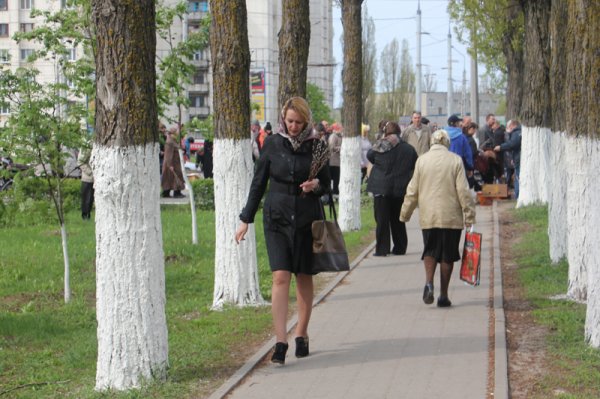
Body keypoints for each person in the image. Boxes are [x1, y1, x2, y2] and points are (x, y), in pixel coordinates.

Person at [235, 97, 331, 365]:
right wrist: (245, 218)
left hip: (305, 217)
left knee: (303, 276)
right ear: (283, 118)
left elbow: (327, 185)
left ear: (306, 121)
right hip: (276, 217)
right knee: (280, 276)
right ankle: (280, 340)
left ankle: (301, 332)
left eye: (299, 122)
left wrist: (316, 186)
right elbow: (258, 182)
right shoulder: (273, 143)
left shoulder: (317, 147)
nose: (294, 126)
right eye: (290, 121)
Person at [400, 129, 476, 307]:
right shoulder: (455, 160)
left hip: (429, 215)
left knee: (430, 249)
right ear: (447, 143)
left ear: (432, 142)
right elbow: (463, 191)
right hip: (451, 217)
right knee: (447, 255)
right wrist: (469, 215)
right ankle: (443, 295)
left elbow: (412, 190)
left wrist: (405, 214)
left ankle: (428, 282)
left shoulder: (422, 160)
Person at [367, 122, 418, 256]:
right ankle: (400, 247)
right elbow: (414, 164)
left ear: (386, 133)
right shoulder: (409, 149)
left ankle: (382, 250)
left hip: (380, 188)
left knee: (382, 221)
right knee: (398, 220)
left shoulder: (378, 147)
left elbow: (370, 157)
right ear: (399, 133)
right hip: (400, 188)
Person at [495, 119, 522, 199]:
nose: (507, 129)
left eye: (508, 127)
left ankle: (518, 196)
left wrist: (501, 147)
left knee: (517, 178)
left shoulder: (516, 133)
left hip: (518, 158)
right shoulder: (518, 132)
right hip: (516, 157)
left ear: (513, 125)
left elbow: (512, 144)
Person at [161, 127, 186, 198]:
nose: (178, 134)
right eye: (177, 132)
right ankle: (175, 193)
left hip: (176, 163)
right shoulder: (170, 142)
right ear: (173, 133)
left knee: (171, 178)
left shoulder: (173, 141)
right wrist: (170, 165)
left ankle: (169, 193)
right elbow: (168, 155)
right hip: (172, 164)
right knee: (172, 178)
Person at [78, 146, 94, 220]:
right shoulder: (86, 146)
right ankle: (85, 215)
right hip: (88, 178)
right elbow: (80, 162)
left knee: (91, 199)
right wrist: (90, 172)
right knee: (87, 198)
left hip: (96, 177)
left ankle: (88, 214)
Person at [328, 122, 342, 196]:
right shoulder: (333, 136)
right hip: (333, 161)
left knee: (337, 179)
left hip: (338, 161)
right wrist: (342, 148)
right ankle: (333, 193)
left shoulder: (340, 136)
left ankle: (336, 192)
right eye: (339, 127)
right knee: (334, 179)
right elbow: (331, 147)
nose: (341, 129)